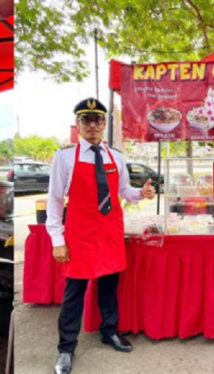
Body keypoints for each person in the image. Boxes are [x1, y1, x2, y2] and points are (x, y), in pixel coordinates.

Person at [46, 98, 156, 374]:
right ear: (78, 124)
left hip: (109, 234)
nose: (92, 125)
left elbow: (124, 192)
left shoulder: (115, 157)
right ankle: (66, 348)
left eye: (97, 120)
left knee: (108, 287)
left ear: (104, 124)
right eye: (86, 120)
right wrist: (57, 240)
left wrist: (141, 194)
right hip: (80, 235)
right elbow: (55, 201)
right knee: (74, 293)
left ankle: (109, 332)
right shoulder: (65, 157)